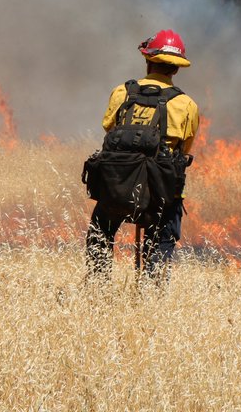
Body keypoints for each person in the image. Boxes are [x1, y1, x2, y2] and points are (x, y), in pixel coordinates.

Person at [86, 29, 200, 282]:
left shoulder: (122, 92)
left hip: (116, 186)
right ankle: (152, 290)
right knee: (164, 235)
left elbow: (108, 126)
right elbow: (184, 150)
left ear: (148, 61)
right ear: (177, 69)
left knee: (100, 229)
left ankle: (97, 285)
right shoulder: (187, 105)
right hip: (159, 191)